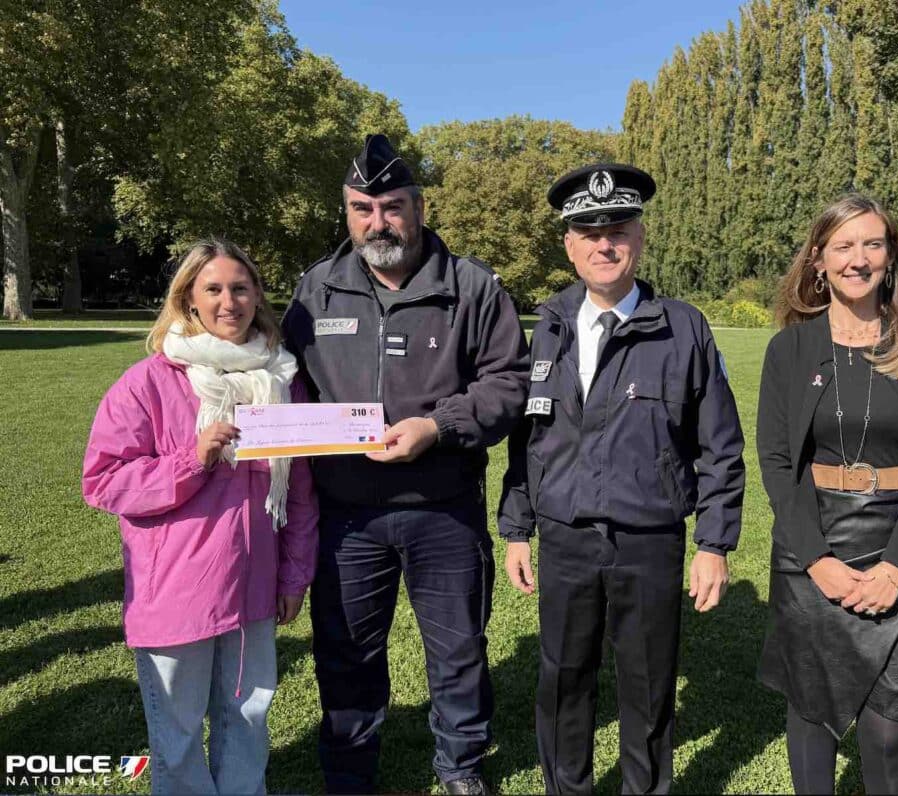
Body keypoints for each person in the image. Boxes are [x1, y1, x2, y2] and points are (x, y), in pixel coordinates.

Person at [282, 134, 530, 795]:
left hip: (441, 508)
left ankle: (460, 766)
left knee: (457, 652)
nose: (377, 222)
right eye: (362, 208)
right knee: (346, 655)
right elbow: (283, 380)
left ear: (419, 206)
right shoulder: (317, 288)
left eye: (391, 206)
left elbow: (510, 384)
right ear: (347, 212)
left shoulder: (473, 287)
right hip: (348, 516)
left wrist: (437, 426)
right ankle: (349, 770)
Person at [498, 163, 746, 794]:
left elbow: (720, 445)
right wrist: (518, 527)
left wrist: (714, 543)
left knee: (647, 682)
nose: (603, 242)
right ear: (568, 243)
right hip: (565, 536)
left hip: (649, 539)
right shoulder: (547, 326)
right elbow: (530, 437)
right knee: (563, 678)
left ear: (639, 234)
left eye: (617, 227)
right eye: (587, 228)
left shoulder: (683, 327)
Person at [82, 239, 319, 794]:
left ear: (258, 295)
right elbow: (103, 480)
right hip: (175, 593)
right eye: (212, 288)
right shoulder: (148, 382)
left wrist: (293, 576)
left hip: (253, 589)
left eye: (240, 288)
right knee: (180, 734)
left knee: (248, 721)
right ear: (188, 298)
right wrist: (193, 459)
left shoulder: (282, 380)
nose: (228, 301)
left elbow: (301, 494)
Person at [756, 194, 898, 794]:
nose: (858, 259)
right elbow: (776, 464)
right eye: (843, 246)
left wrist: (897, 569)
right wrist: (817, 561)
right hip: (810, 557)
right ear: (818, 260)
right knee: (812, 716)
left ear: (890, 256)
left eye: (872, 244)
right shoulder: (789, 351)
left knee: (890, 728)